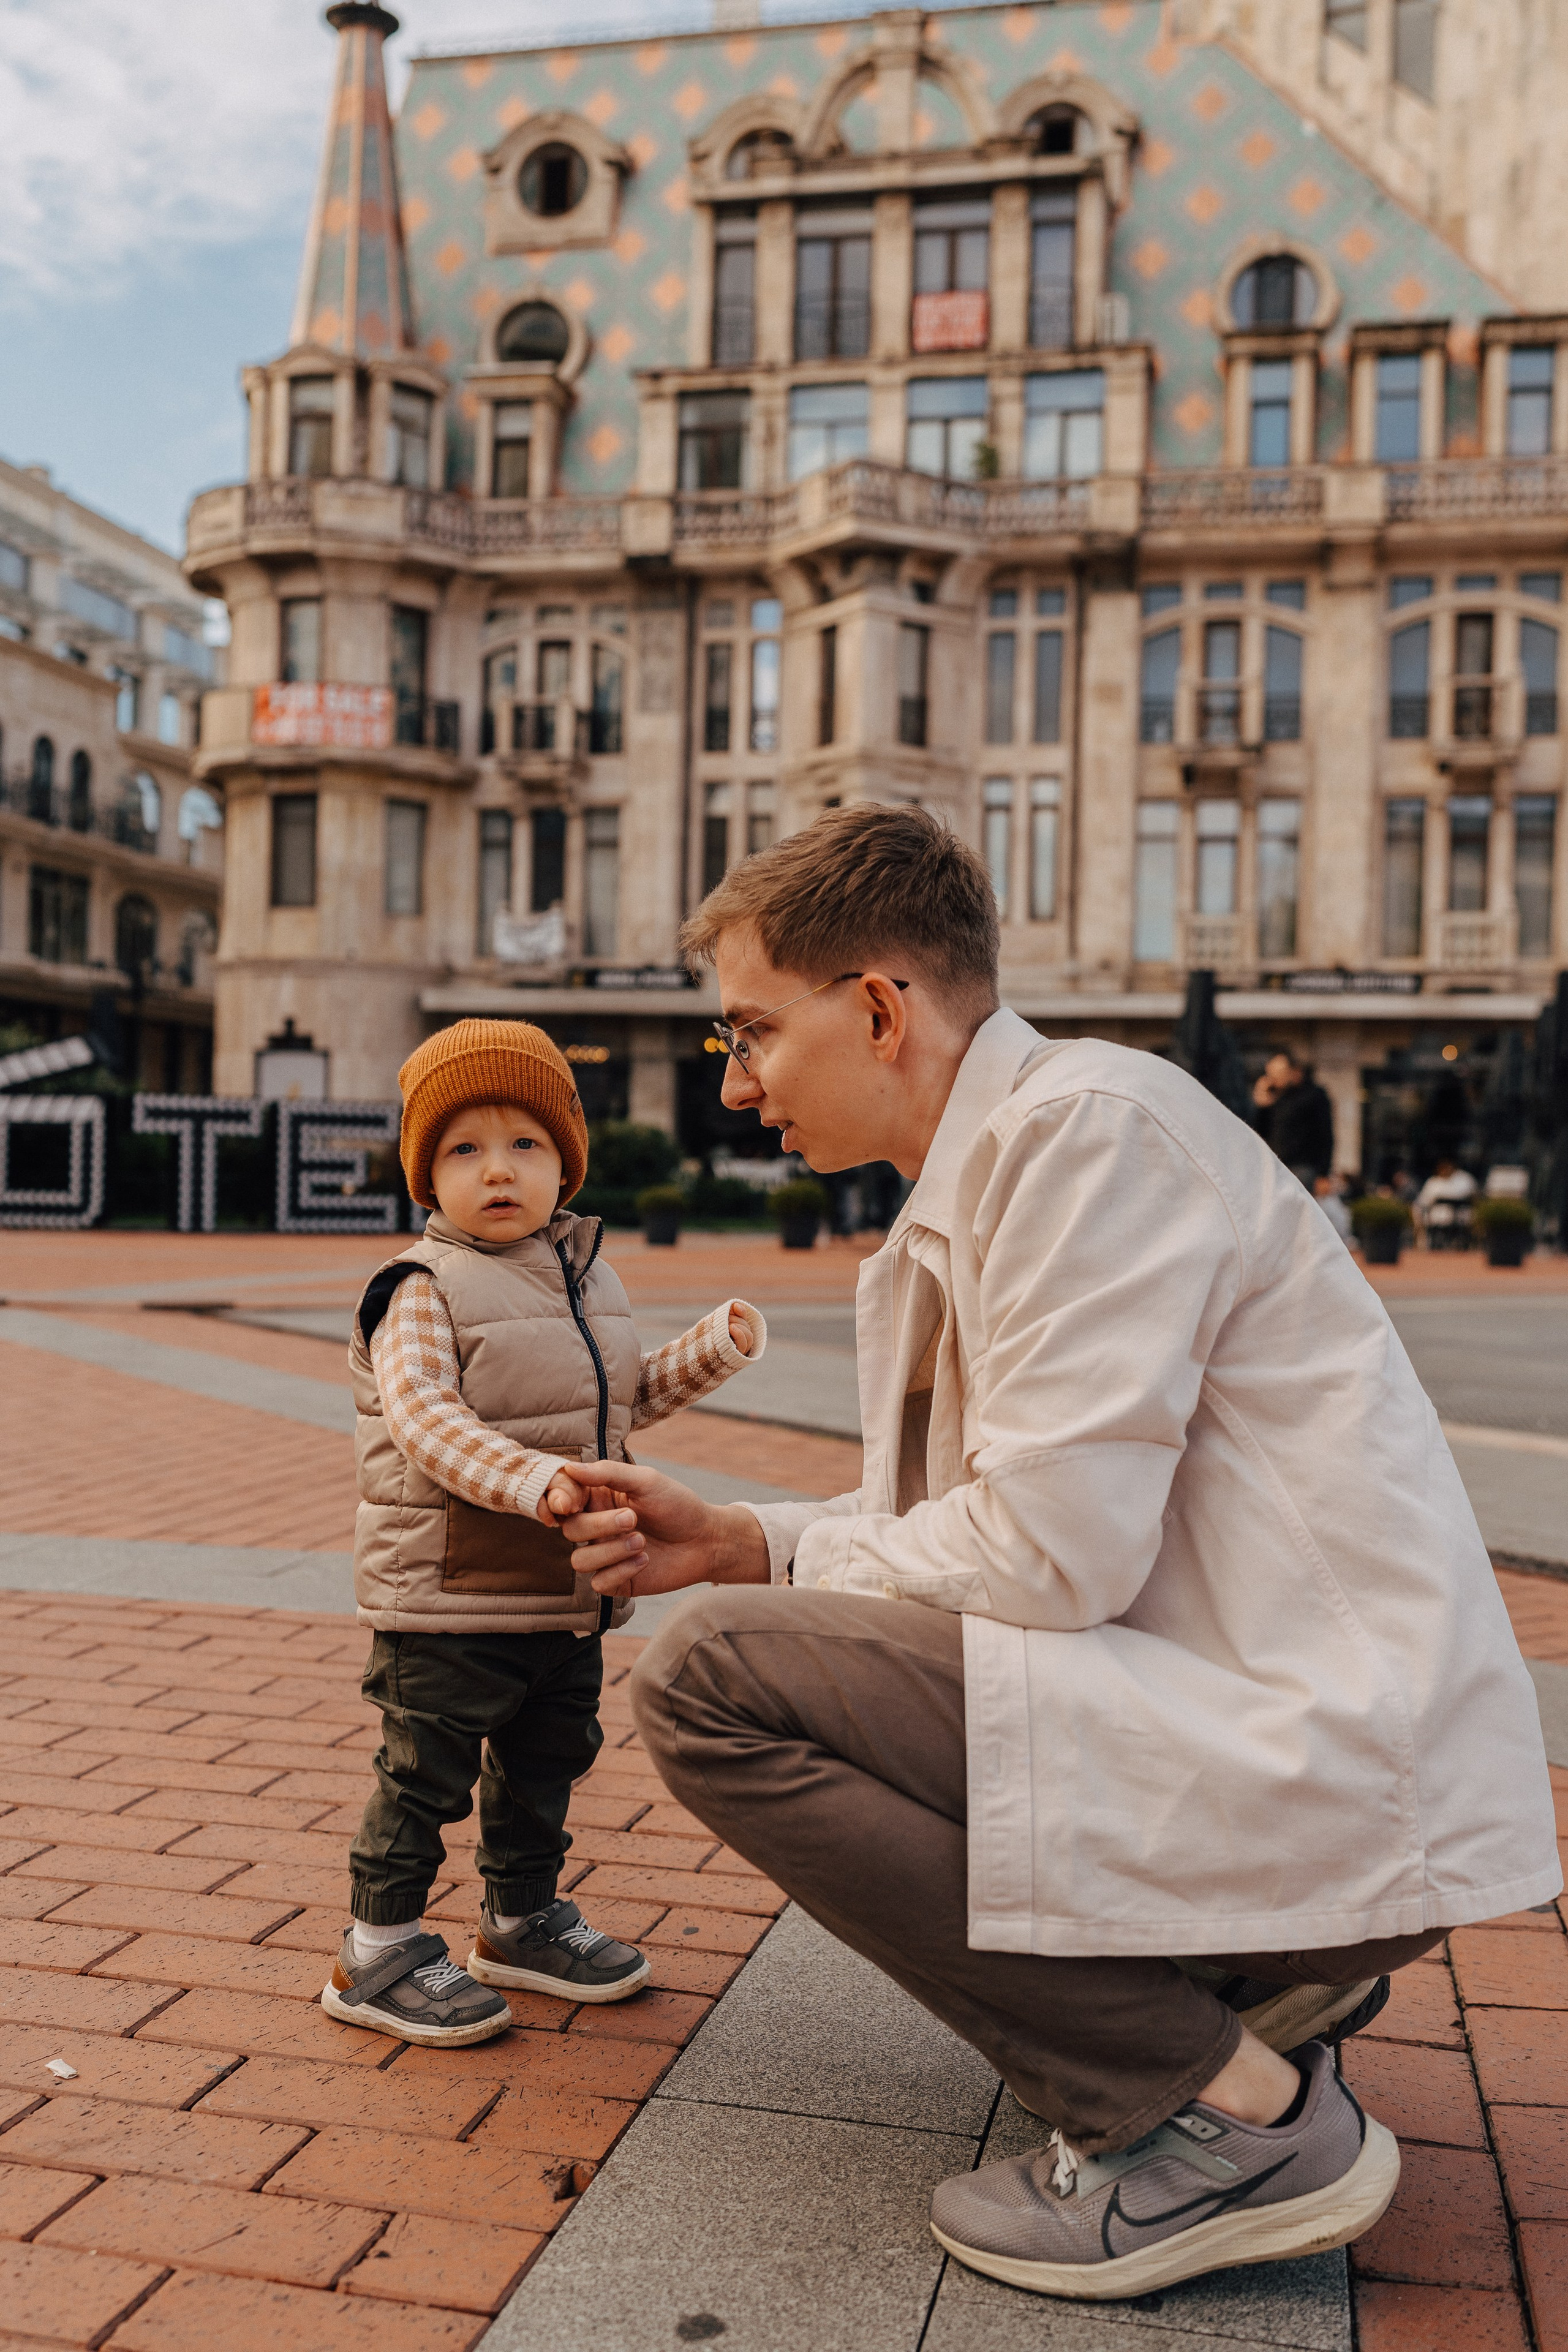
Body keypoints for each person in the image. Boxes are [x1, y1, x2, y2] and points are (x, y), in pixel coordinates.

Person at [546, 806, 1557, 2304]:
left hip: (1320, 1750)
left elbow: (1042, 1559)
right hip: (1259, 1719)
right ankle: (1237, 1987)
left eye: (750, 1030)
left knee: (707, 1683)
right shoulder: (1016, 1158)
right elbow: (993, 1536)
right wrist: (745, 1538)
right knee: (744, 1631)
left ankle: (1217, 2115)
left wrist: (760, 1576)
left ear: (876, 1008)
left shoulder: (1083, 1136)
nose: (738, 1081)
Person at [322, 1017, 765, 2048]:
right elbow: (427, 1421)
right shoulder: (418, 1288)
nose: (498, 1170)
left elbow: (618, 1401)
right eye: (464, 1149)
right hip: (449, 1591)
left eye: (525, 1143)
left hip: (561, 1591)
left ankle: (519, 1921)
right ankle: (376, 1949)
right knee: (423, 1775)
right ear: (426, 1175)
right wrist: (536, 1482)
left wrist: (713, 1349)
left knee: (544, 1765)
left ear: (565, 1162)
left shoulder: (585, 1276)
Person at [1251, 1047, 1335, 1192]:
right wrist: (1262, 1107)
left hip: (1303, 1167)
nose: (1275, 1079)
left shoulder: (1314, 1095)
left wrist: (1323, 1174)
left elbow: (1325, 1135)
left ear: (1293, 1071)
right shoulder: (1273, 1099)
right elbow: (1260, 1133)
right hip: (1275, 1166)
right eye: (1271, 1074)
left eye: (1279, 1073)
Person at [1414, 1158, 1477, 1250]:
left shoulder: (1464, 1179)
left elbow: (1473, 1198)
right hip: (1436, 1219)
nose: (1445, 1170)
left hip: (1461, 1219)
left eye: (1448, 1167)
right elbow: (1423, 1202)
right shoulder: (1433, 1182)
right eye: (1442, 1168)